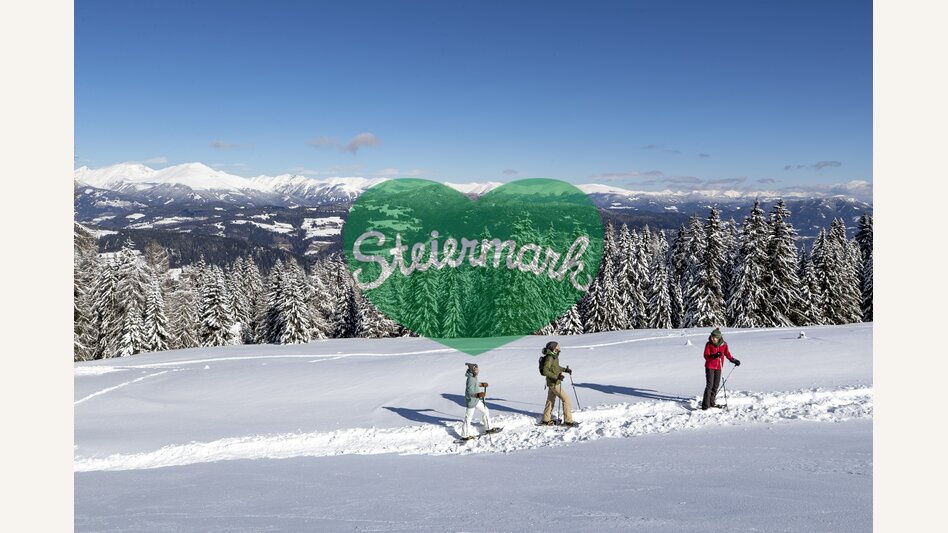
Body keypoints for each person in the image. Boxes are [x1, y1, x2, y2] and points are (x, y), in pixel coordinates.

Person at [701, 328, 741, 410]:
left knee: (715, 385)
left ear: (718, 337)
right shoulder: (709, 344)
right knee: (709, 386)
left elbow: (727, 354)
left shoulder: (724, 344)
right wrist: (714, 356)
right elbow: (706, 356)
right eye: (712, 337)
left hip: (719, 367)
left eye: (714, 337)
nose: (712, 338)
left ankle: (712, 402)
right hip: (710, 367)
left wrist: (733, 360)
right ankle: (705, 405)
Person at [539, 341, 577, 426]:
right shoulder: (550, 357)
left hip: (552, 383)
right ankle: (568, 421)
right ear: (553, 348)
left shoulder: (553, 356)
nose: (559, 347)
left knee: (550, 401)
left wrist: (565, 370)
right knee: (566, 400)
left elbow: (556, 367)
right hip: (554, 383)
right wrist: (557, 377)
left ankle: (546, 419)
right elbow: (545, 371)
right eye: (558, 346)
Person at [461, 362, 493, 440]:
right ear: (472, 370)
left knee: (485, 410)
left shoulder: (473, 377)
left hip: (476, 400)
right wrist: (478, 394)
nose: (478, 371)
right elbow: (469, 392)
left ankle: (488, 428)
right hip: (471, 401)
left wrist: (481, 384)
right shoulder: (470, 379)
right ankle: (464, 436)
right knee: (468, 418)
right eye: (476, 370)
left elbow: (475, 384)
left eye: (478, 369)